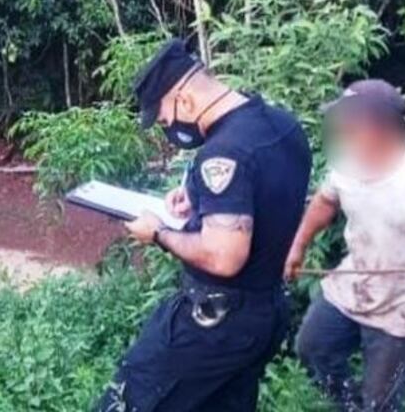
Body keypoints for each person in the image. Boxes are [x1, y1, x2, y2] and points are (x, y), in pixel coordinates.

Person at [93, 38, 312, 411]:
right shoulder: (283, 126)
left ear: (185, 99)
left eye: (165, 120)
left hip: (216, 322)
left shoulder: (225, 152)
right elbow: (270, 197)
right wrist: (199, 200)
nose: (168, 129)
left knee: (126, 401)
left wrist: (159, 233)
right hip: (265, 313)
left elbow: (224, 257)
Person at [285, 79, 405, 412]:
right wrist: (298, 248)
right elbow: (325, 201)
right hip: (356, 282)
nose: (342, 127)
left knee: (382, 403)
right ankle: (350, 406)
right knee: (313, 348)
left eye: (348, 119)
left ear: (378, 124)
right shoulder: (348, 162)